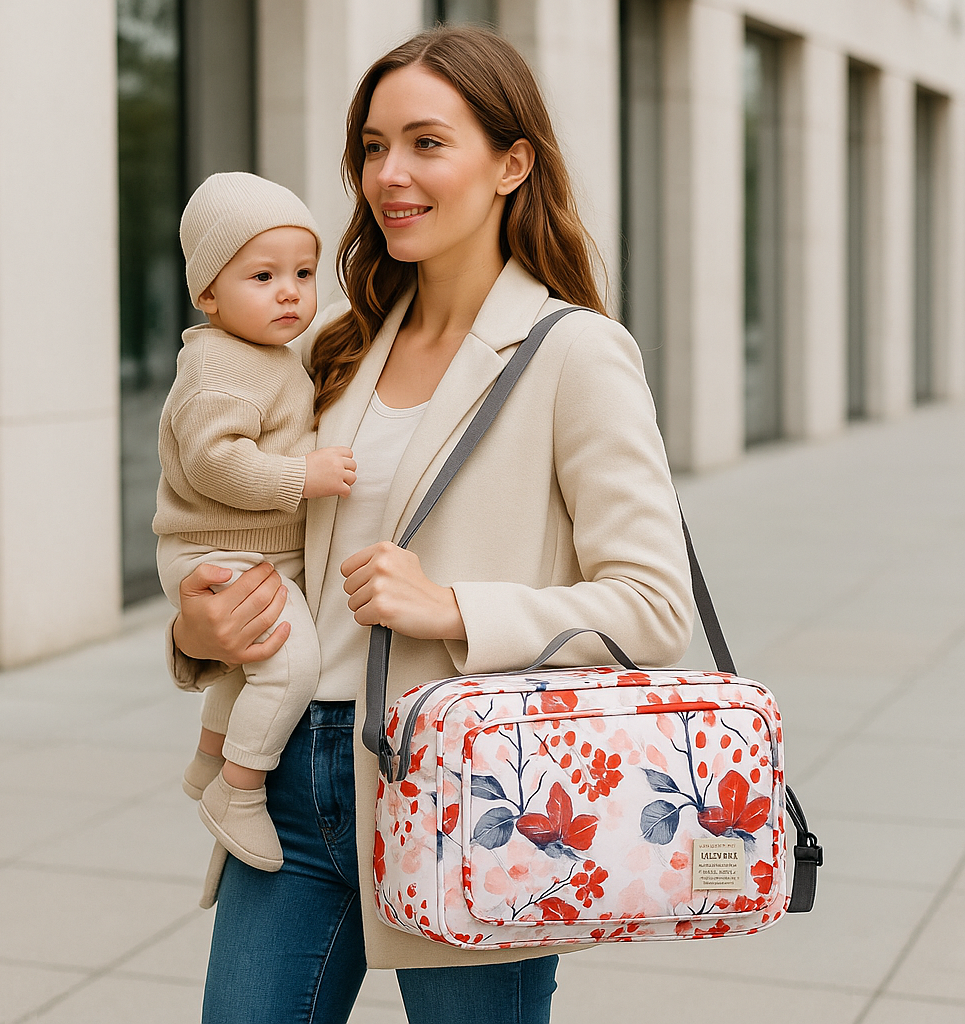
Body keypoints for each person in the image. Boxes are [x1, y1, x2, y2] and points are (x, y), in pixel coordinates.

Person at [168, 26, 694, 1024]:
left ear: (511, 162)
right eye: (372, 146)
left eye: (425, 143)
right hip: (291, 780)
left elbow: (652, 604)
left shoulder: (574, 353)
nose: (389, 175)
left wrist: (449, 605)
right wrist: (198, 634)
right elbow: (245, 527)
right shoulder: (331, 344)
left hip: (468, 791)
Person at [154, 171, 357, 873]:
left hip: (247, 549)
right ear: (208, 293)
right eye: (262, 275)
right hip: (217, 550)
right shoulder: (218, 368)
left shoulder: (264, 354)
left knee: (248, 667)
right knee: (288, 663)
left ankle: (210, 760)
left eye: (303, 272)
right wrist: (304, 476)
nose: (290, 292)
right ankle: (238, 791)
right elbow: (214, 462)